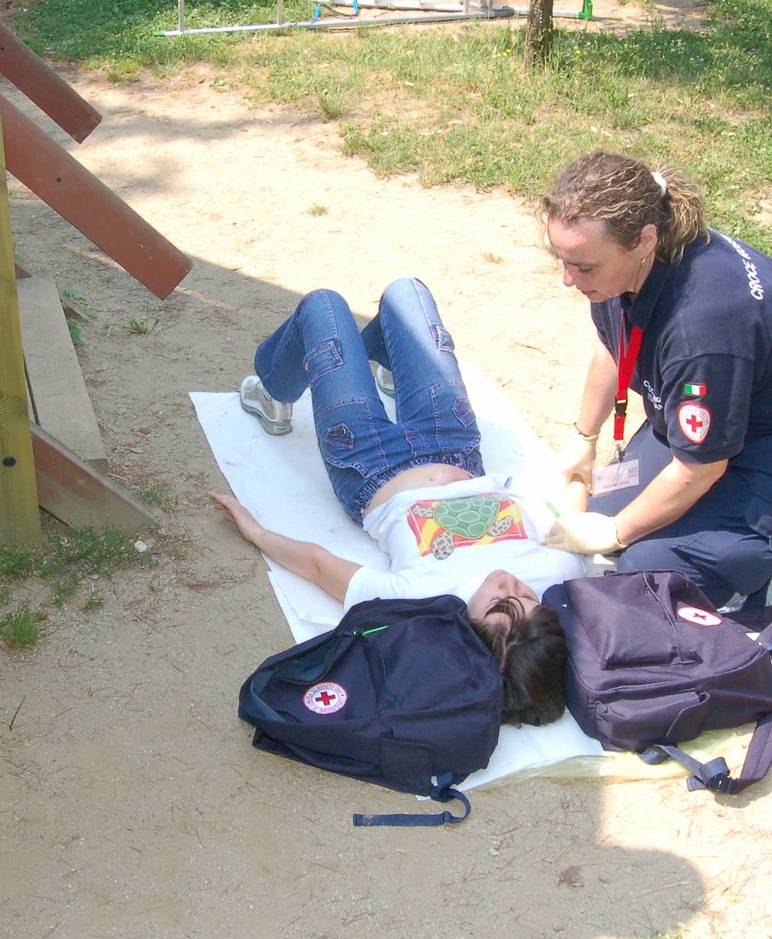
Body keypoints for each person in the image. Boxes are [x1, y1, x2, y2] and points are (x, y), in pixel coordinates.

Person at [211, 277, 588, 727]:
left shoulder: (423, 600)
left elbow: (317, 565)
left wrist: (255, 531)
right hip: (455, 444)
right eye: (526, 596)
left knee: (324, 307)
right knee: (406, 294)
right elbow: (572, 520)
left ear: (472, 635)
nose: (510, 584)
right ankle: (389, 359)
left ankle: (272, 391)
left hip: (369, 462)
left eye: (499, 603)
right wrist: (581, 471)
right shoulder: (558, 573)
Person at [539, 152, 772, 610]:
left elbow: (701, 468)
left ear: (643, 240)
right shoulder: (627, 267)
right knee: (600, 507)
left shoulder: (703, 329)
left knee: (646, 572)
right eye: (562, 259)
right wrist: (585, 437)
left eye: (583, 267)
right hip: (728, 416)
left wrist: (614, 533)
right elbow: (612, 343)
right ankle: (745, 531)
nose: (567, 280)